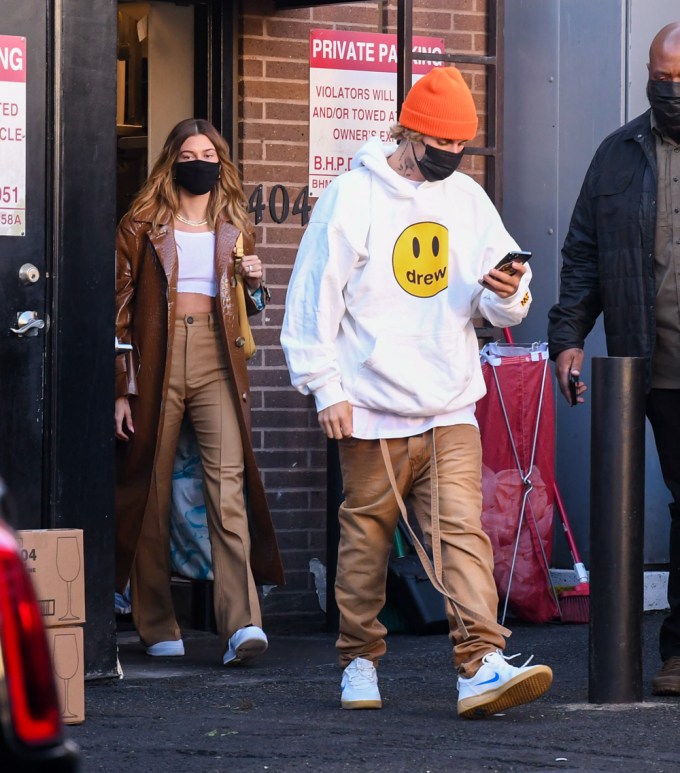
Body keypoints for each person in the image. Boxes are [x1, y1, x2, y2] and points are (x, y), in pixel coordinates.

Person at [281, 66, 553, 718]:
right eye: (441, 144)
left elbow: (504, 307)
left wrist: (507, 288)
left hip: (451, 402)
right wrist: (325, 388)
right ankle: (358, 659)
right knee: (367, 537)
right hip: (372, 406)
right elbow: (312, 297)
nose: (451, 157)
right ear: (408, 131)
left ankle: (480, 662)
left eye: (462, 146)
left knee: (463, 533)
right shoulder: (351, 198)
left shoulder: (467, 199)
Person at [115, 118, 284, 665]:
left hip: (217, 356)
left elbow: (251, 310)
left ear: (221, 160)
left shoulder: (234, 226)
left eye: (208, 152)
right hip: (156, 357)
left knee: (227, 486)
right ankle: (156, 621)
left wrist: (257, 286)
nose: (199, 161)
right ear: (172, 161)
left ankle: (241, 625)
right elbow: (117, 312)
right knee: (151, 486)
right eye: (188, 153)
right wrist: (122, 389)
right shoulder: (141, 224)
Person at [548, 22, 680, 696]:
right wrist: (569, 337)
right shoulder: (617, 156)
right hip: (648, 365)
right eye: (663, 81)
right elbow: (582, 256)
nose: (674, 92)